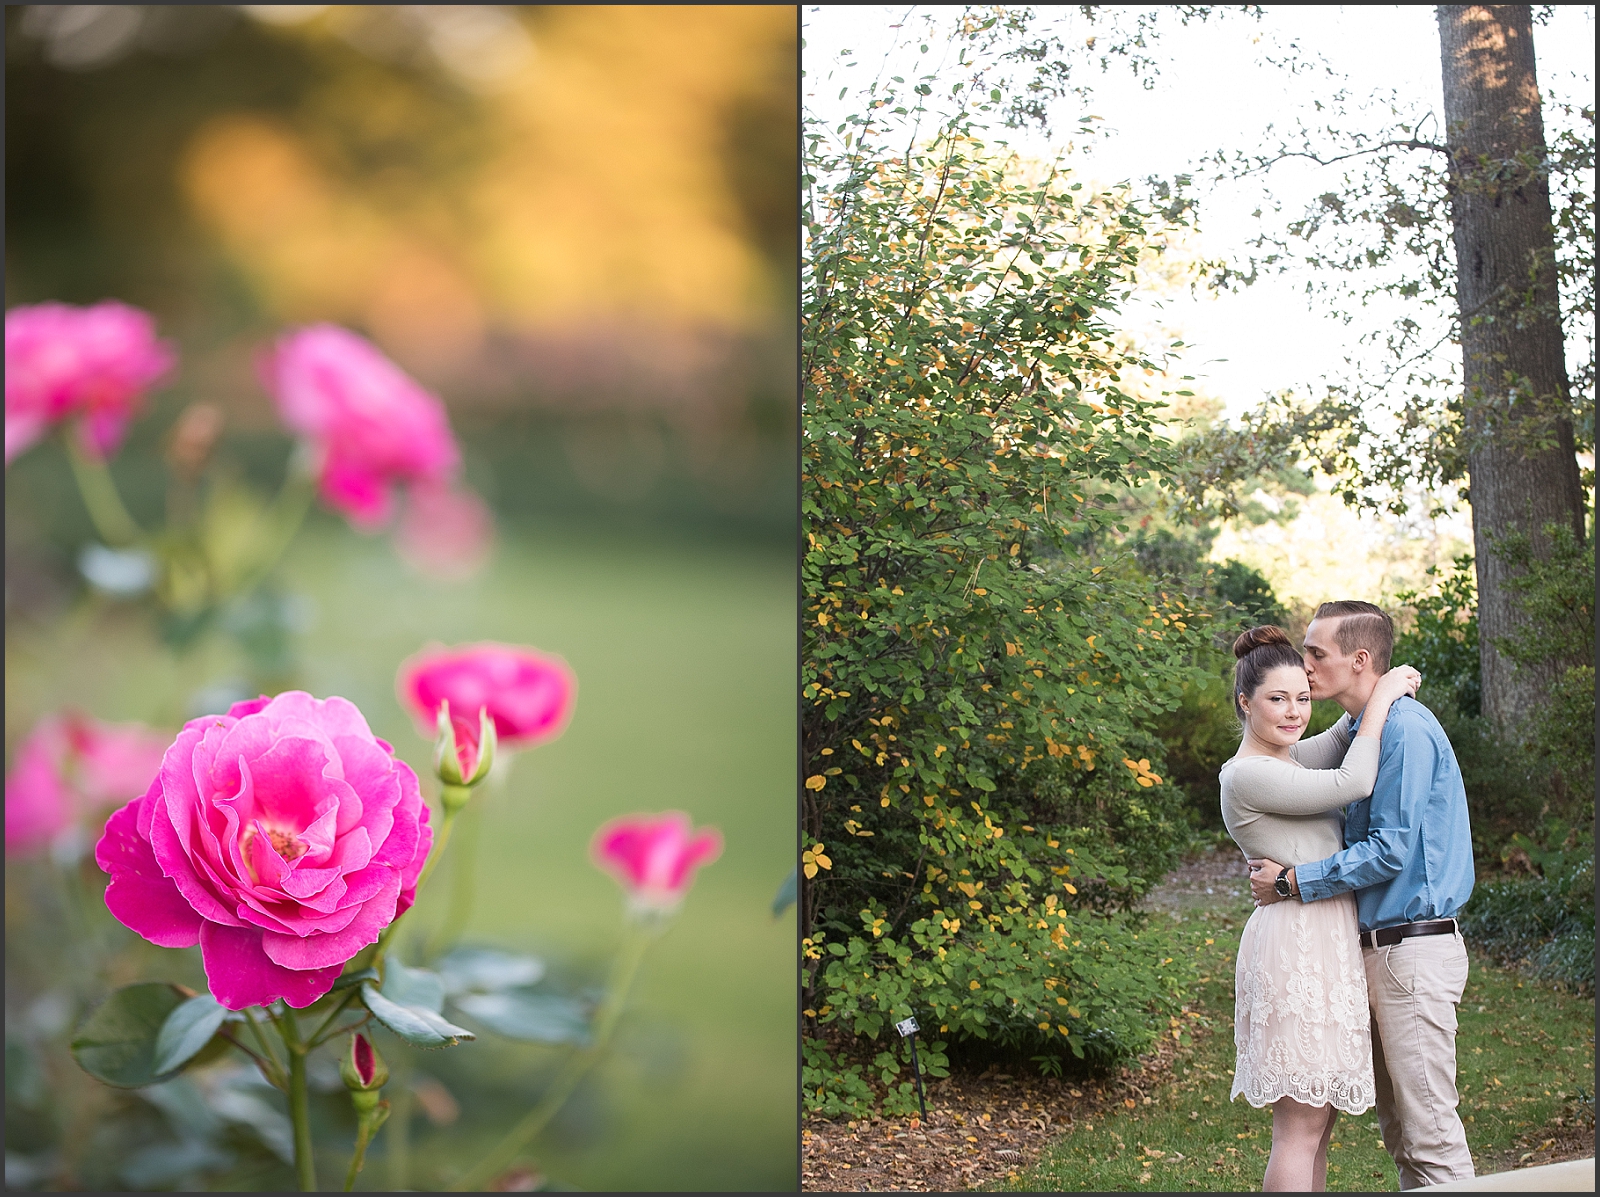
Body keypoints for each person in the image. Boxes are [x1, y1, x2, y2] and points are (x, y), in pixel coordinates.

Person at [1248, 600, 1476, 1190]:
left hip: (1412, 953)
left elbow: (1390, 850)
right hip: (1373, 951)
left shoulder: (1405, 729)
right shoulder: (1367, 727)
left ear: (1360, 659)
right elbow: (1297, 774)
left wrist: (1294, 882)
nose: (1306, 665)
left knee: (1430, 1137)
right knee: (1403, 1136)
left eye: (1317, 653)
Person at [1221, 623, 1422, 1191]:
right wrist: (1382, 693)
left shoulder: (1286, 760)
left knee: (1319, 1126)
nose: (1293, 712)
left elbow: (1340, 737)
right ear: (1245, 701)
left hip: (1325, 936)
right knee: (1300, 1128)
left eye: (1302, 697)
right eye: (1277, 699)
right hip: (1295, 941)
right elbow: (1354, 778)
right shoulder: (1250, 774)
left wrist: (1361, 689)